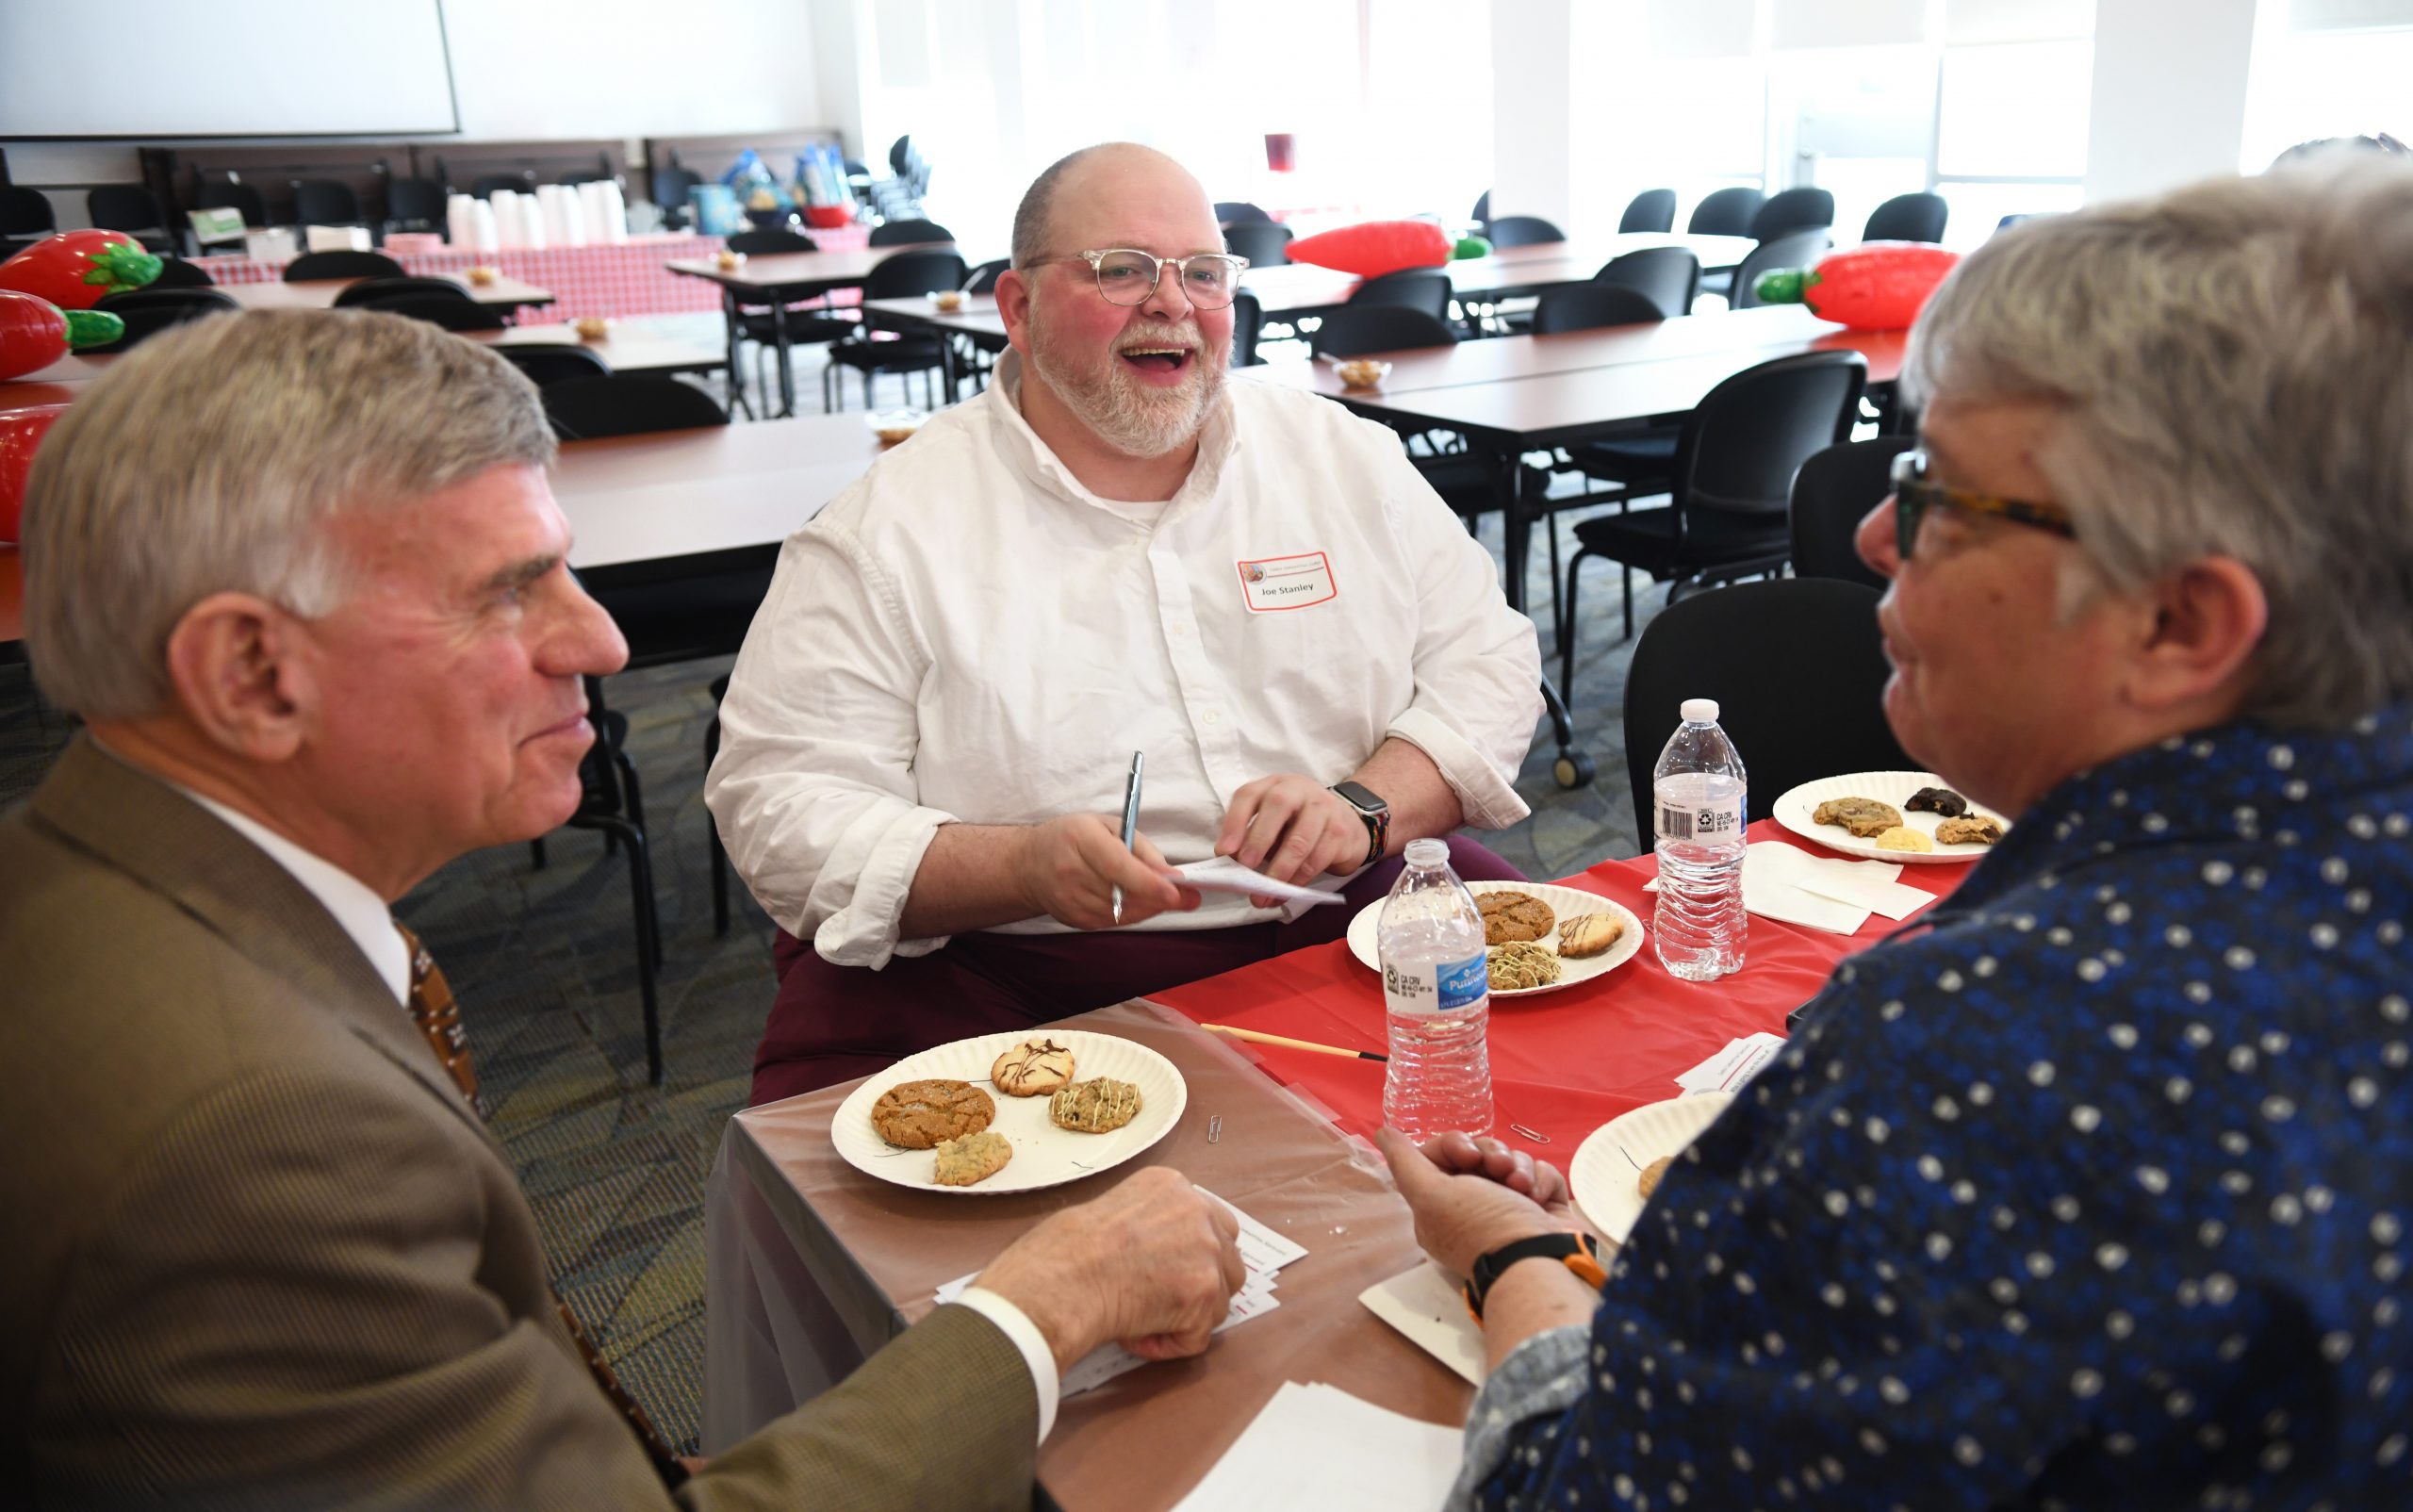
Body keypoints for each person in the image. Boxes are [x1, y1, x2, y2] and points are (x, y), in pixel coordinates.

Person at [0, 309, 1244, 1509]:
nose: (598, 641)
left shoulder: (113, 890)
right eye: (509, 591)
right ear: (250, 674)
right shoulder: (256, 1131)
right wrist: (1050, 1305)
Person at [1385, 158, 2413, 1506]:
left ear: (2180, 622)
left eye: (1940, 497)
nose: (1872, 533)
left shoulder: (1997, 1050)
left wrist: (1512, 1265)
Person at [709, 142, 1542, 1104]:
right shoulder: (884, 532)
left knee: (1573, 1089)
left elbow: (1487, 656)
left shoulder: (1343, 460)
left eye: (1201, 272)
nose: (1172, 302)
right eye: (1122, 269)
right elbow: (781, 804)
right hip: (1015, 968)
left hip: (1343, 909)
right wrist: (1018, 863)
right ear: (1017, 310)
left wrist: (1365, 804)